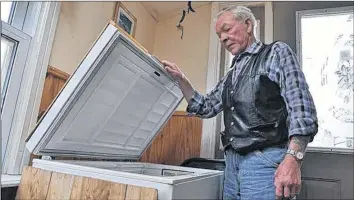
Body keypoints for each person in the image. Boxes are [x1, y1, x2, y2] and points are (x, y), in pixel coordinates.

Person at [161, 5, 318, 200]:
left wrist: (293, 158)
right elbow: (206, 107)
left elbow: (301, 109)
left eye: (226, 29)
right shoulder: (231, 75)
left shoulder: (276, 52)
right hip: (232, 165)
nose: (222, 38)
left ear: (248, 25)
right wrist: (182, 79)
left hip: (265, 162)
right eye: (219, 35)